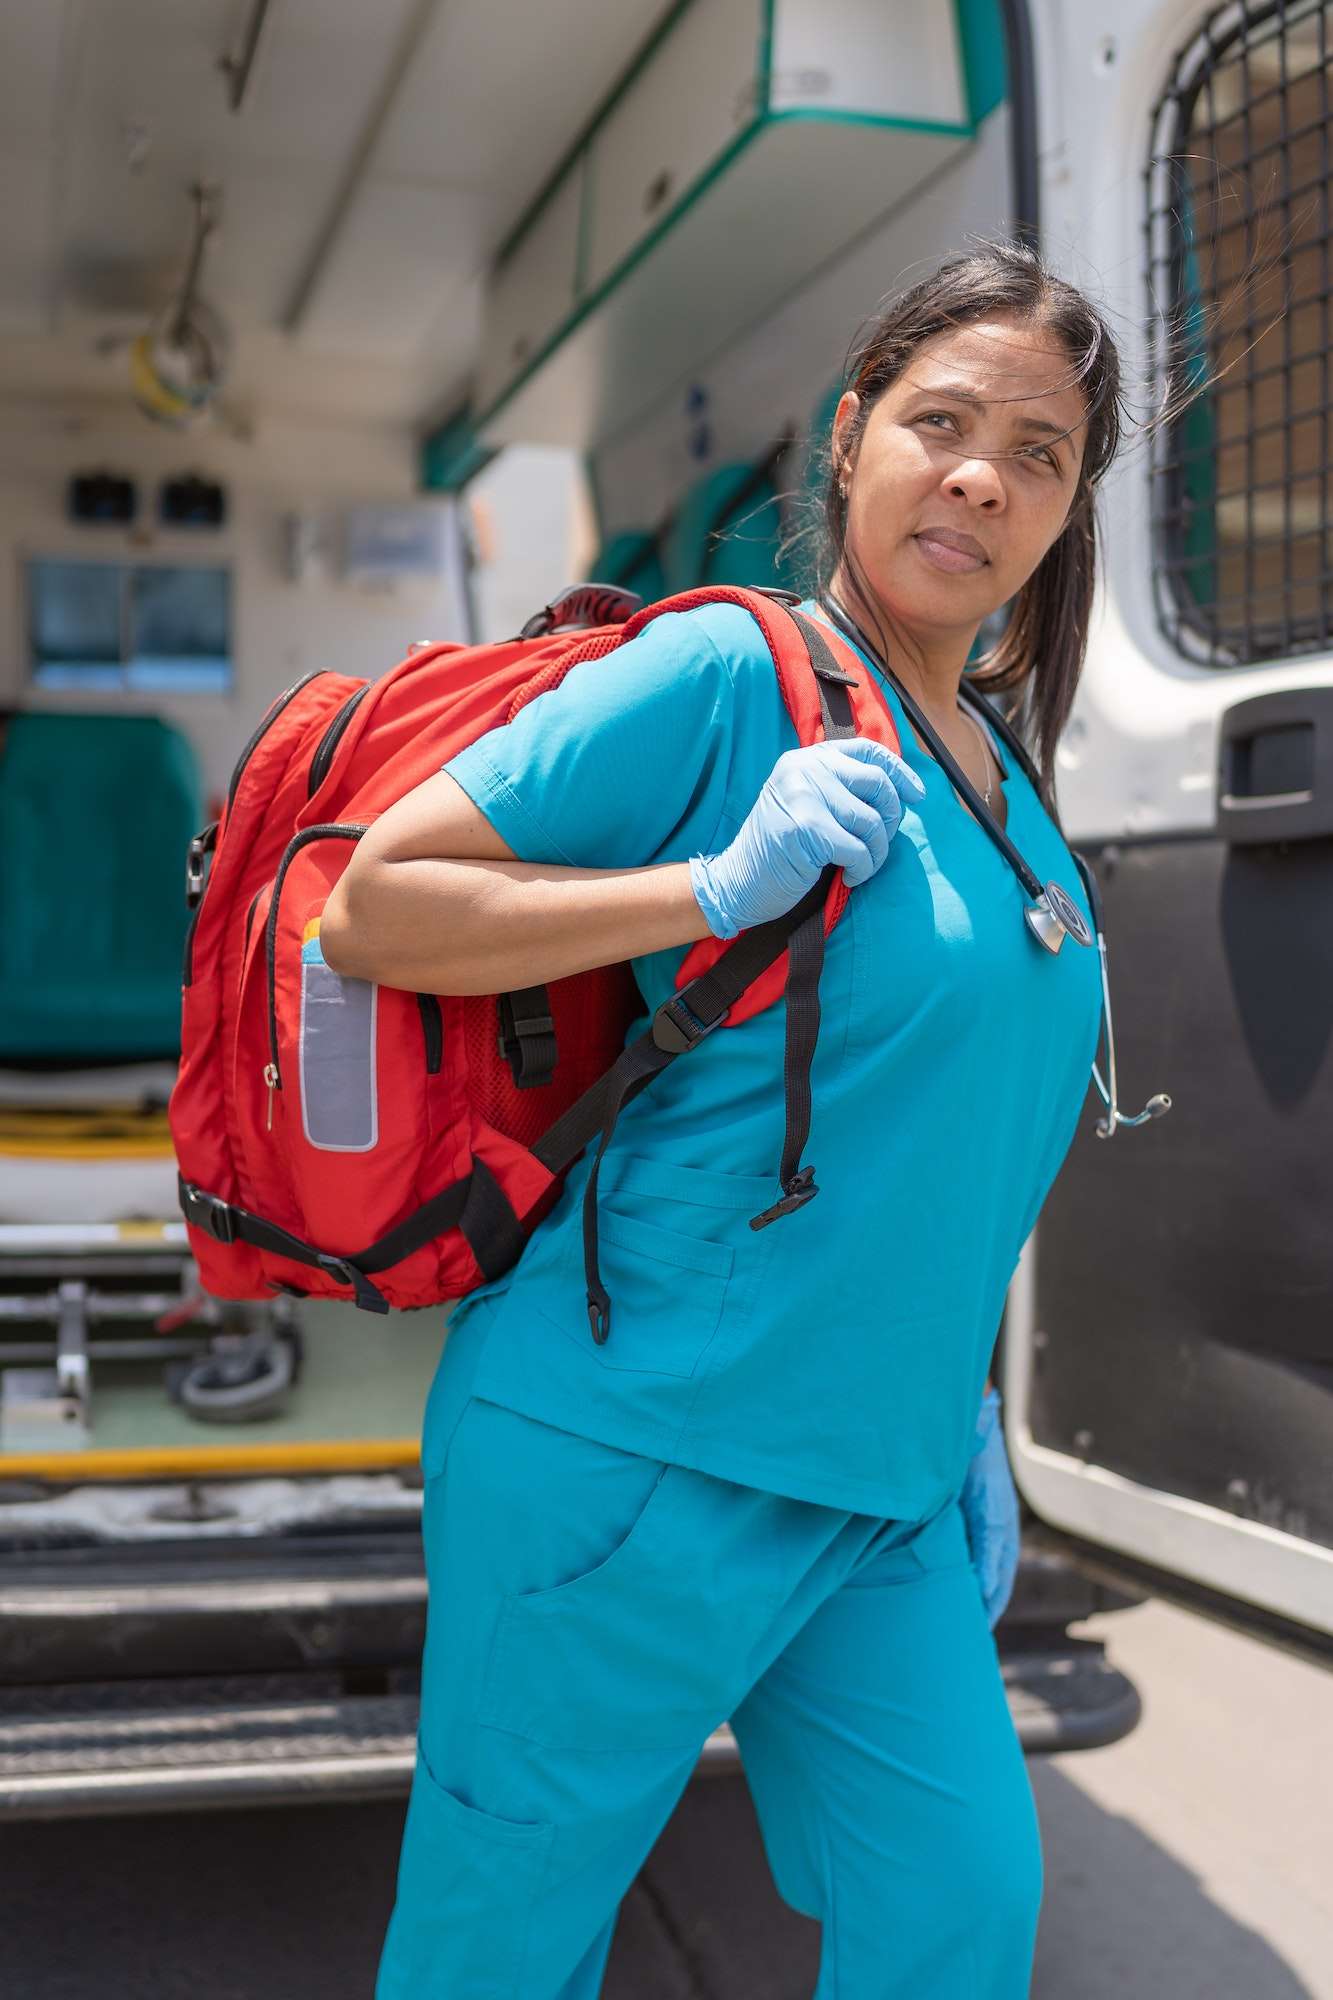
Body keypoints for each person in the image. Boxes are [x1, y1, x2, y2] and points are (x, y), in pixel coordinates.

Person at [322, 240, 1121, 1999]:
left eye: (1041, 453)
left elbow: (938, 1129)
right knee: (501, 1958)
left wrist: (968, 1410)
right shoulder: (725, 679)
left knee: (956, 1913)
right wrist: (708, 882)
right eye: (942, 422)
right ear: (850, 438)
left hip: (886, 1488)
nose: (983, 474)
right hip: (631, 1459)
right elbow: (375, 909)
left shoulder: (994, 766)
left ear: (1065, 514)